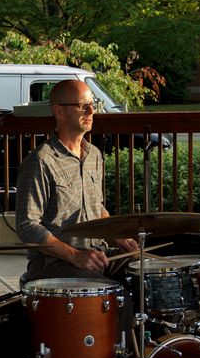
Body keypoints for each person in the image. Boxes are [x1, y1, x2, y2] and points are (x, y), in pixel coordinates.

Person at [15, 79, 139, 282]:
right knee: (110, 293)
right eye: (83, 106)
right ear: (59, 111)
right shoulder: (41, 161)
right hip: (55, 263)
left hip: (97, 255)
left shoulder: (94, 155)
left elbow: (97, 208)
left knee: (143, 271)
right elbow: (27, 225)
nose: (91, 112)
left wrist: (117, 236)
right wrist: (75, 256)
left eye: (93, 105)